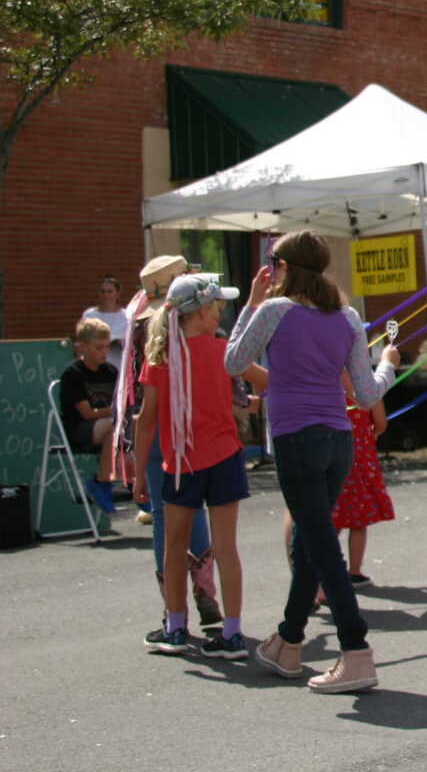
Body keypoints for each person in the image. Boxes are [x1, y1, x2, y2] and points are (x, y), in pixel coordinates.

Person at [226, 229, 399, 694]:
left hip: (296, 438)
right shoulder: (346, 316)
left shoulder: (274, 310)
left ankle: (356, 650)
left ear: (281, 268)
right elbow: (364, 392)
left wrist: (249, 303)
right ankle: (288, 641)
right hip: (338, 439)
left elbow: (232, 360)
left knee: (320, 546)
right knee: (310, 540)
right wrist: (389, 364)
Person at [131, 274, 255, 659]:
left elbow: (146, 419)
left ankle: (175, 627)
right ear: (201, 312)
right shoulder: (224, 352)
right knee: (225, 548)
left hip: (181, 462)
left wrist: (137, 473)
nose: (220, 314)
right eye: (217, 308)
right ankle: (232, 634)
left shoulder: (161, 358)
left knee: (174, 546)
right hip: (225, 457)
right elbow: (266, 383)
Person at [332, 377, 392, 586]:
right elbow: (381, 420)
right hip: (359, 458)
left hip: (332, 454)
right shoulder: (364, 381)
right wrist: (372, 431)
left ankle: (326, 570)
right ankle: (354, 571)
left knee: (332, 514)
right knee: (358, 518)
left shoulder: (326, 375)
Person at [60, 317, 120, 514]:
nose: (104, 352)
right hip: (79, 429)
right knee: (117, 426)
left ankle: (136, 482)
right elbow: (86, 413)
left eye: (106, 347)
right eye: (98, 347)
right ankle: (101, 482)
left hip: (106, 427)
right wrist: (116, 411)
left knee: (132, 425)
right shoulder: (73, 373)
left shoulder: (111, 371)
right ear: (83, 347)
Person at [82, 275, 129, 370]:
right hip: (96, 364)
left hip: (120, 363)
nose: (106, 295)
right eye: (102, 292)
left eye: (110, 291)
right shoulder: (90, 315)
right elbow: (84, 340)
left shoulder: (126, 315)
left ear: (117, 293)